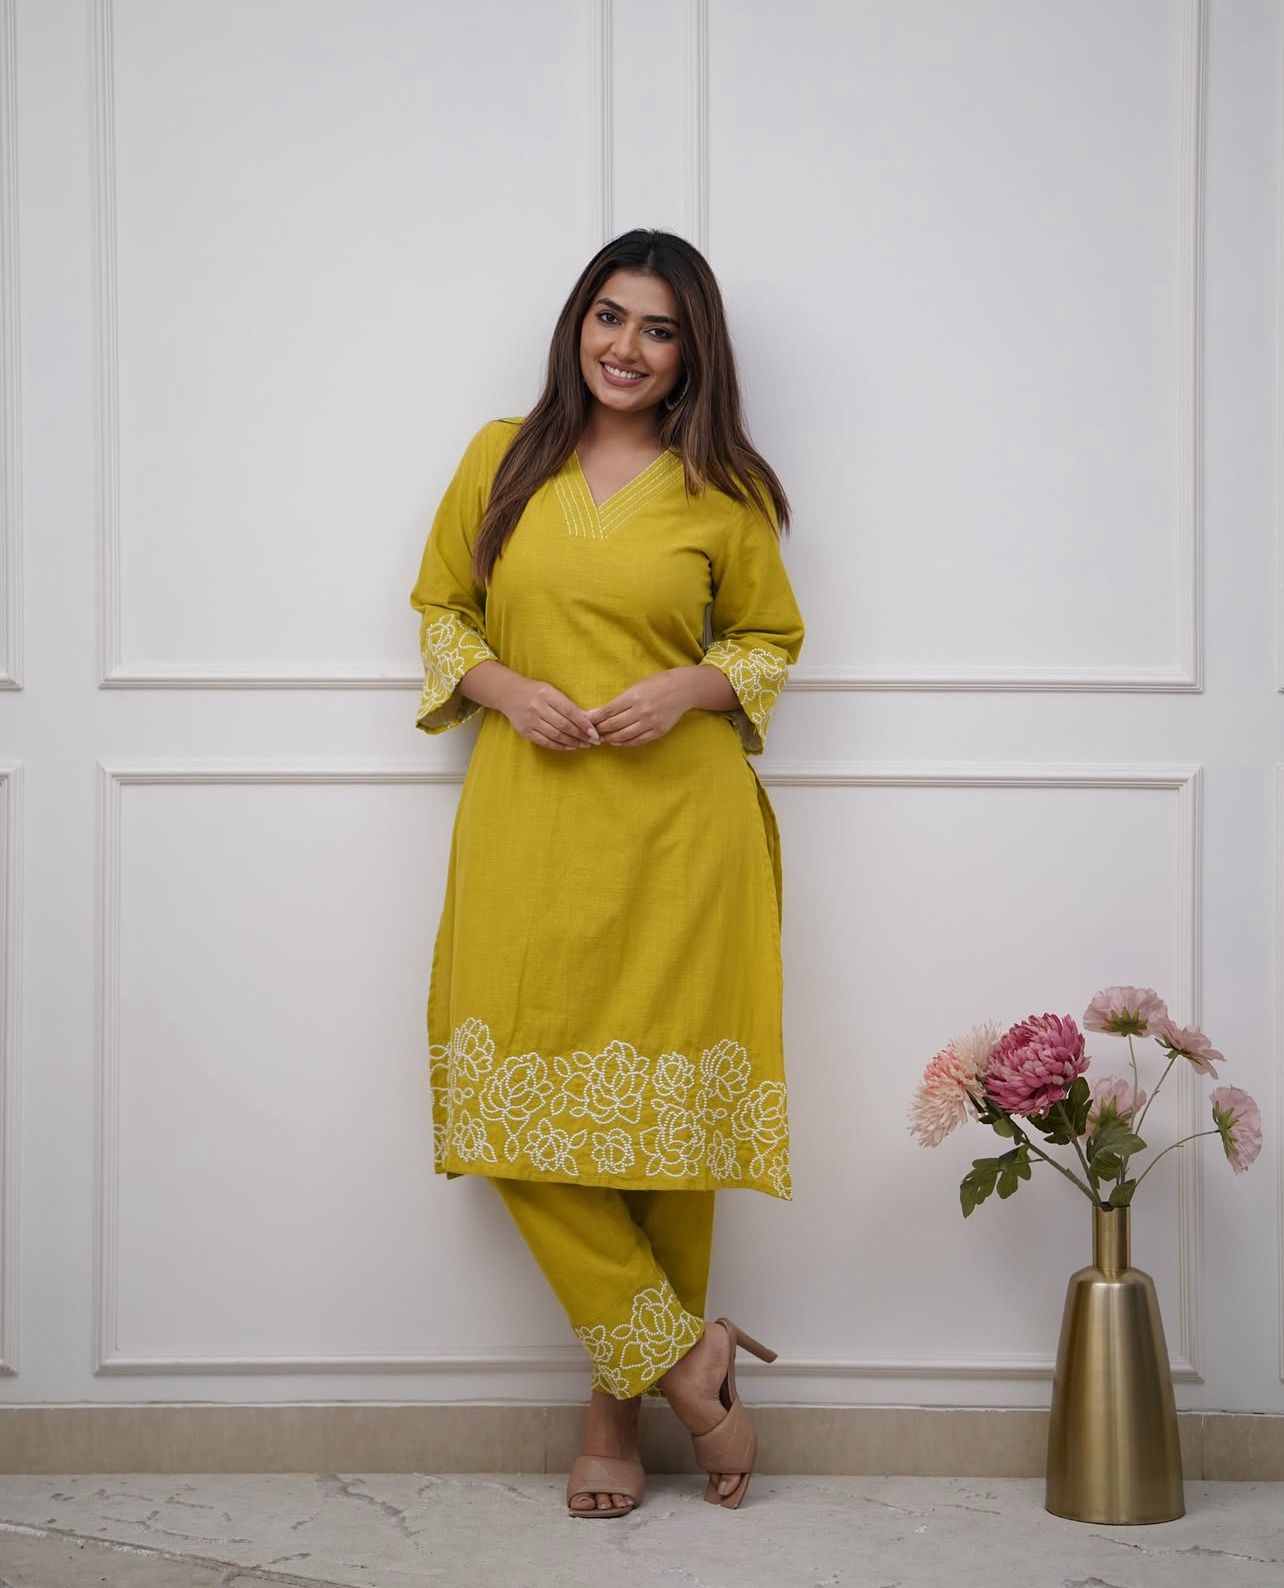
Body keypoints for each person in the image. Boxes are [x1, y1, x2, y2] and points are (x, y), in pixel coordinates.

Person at [408, 228, 805, 1517]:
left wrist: (689, 686)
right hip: (529, 818)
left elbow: (768, 639)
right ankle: (689, 1357)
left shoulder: (723, 490)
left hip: (683, 834)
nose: (627, 348)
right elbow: (439, 612)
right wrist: (504, 687)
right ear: (578, 323)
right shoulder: (501, 457)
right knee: (503, 1105)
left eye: (659, 329)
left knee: (665, 1135)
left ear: (694, 352)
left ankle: (613, 1421)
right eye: (610, 317)